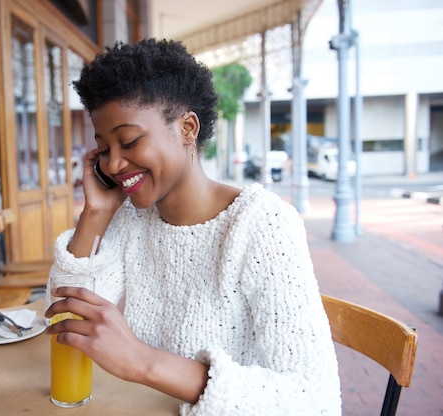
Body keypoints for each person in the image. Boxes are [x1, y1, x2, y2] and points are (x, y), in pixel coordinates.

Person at [44, 38, 341, 415]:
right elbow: (63, 319)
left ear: (187, 128)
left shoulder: (261, 225)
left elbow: (315, 400)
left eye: (129, 141)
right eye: (103, 150)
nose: (114, 164)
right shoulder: (132, 217)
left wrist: (144, 362)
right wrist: (95, 214)